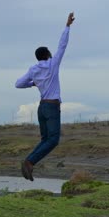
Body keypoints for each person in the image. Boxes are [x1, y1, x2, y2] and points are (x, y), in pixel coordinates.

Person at [15, 12, 75, 181]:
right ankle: (29, 162)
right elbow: (62, 45)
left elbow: (18, 84)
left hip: (42, 108)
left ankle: (29, 163)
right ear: (48, 54)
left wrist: (33, 83)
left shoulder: (33, 69)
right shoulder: (53, 64)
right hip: (51, 107)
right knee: (53, 140)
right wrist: (67, 26)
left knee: (45, 139)